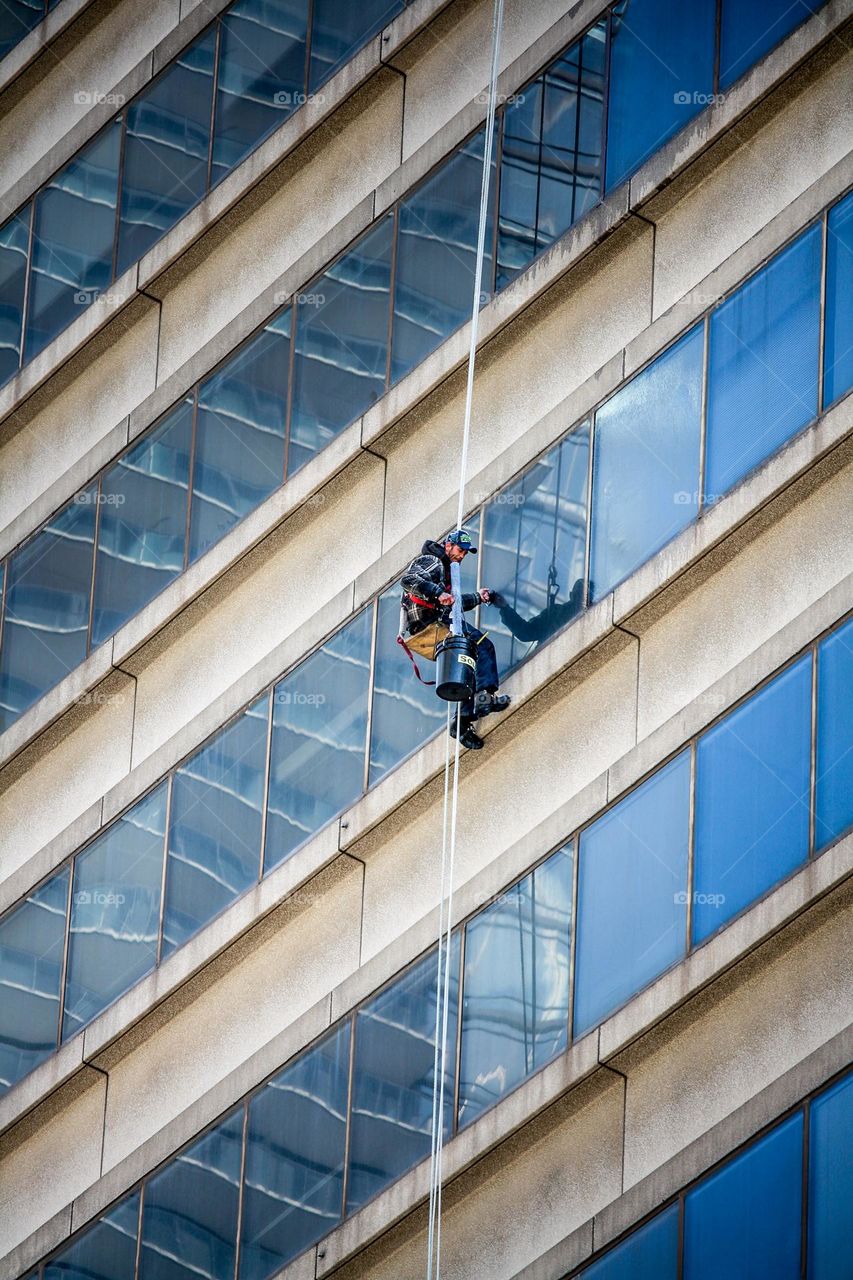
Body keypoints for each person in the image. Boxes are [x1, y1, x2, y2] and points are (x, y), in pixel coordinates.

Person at [400, 529, 510, 750]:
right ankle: (484, 696)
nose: (461, 556)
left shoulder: (449, 574)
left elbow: (455, 604)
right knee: (481, 646)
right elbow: (408, 579)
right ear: (448, 545)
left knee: (465, 665)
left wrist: (480, 597)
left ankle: (461, 723)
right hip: (428, 623)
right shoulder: (433, 560)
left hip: (437, 623)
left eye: (465, 553)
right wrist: (437, 593)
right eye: (460, 550)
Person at [488, 577, 587, 646]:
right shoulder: (555, 613)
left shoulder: (590, 615)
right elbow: (527, 632)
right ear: (571, 595)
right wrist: (505, 608)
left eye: (583, 594)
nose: (580, 597)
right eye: (578, 593)